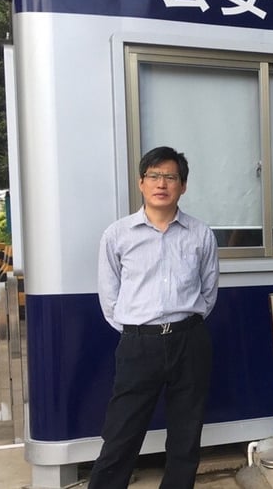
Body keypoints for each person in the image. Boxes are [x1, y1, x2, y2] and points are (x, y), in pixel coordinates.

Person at [89, 146, 220, 489]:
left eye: (171, 177)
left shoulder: (200, 234)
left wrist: (182, 323)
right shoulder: (118, 235)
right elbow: (110, 296)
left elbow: (208, 292)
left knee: (186, 436)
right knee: (121, 434)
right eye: (154, 176)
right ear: (141, 183)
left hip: (189, 341)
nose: (162, 183)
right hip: (138, 344)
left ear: (183, 186)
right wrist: (137, 330)